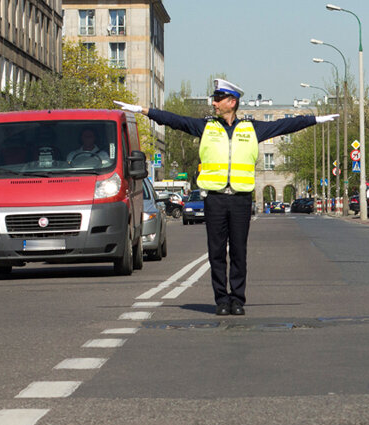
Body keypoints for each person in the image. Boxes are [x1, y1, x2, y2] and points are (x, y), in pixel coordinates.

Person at [114, 79, 337, 316]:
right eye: (214, 98)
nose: (214, 103)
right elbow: (175, 120)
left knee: (239, 251)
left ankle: (237, 299)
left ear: (232, 102)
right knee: (217, 251)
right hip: (215, 199)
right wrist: (142, 110)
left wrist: (314, 119)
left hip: (241, 199)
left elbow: (285, 125)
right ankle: (221, 299)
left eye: (219, 99)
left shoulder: (252, 128)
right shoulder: (206, 126)